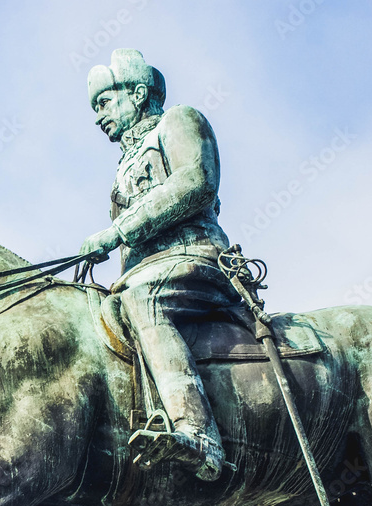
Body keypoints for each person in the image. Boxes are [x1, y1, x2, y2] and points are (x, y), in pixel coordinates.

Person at [79, 49, 239, 481]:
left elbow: (196, 182)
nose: (98, 116)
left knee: (142, 301)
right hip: (142, 276)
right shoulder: (120, 171)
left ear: (138, 93)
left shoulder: (179, 121)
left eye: (104, 102)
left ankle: (199, 435)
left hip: (196, 259)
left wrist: (117, 231)